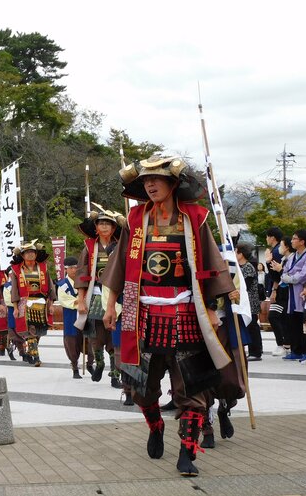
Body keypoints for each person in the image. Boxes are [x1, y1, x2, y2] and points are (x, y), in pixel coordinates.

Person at [101, 155, 236, 477]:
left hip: (186, 311)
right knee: (140, 388)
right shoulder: (135, 220)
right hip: (141, 310)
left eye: (157, 180)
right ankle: (155, 425)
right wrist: (111, 304)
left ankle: (188, 453)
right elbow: (119, 266)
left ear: (173, 184)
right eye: (146, 181)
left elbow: (211, 264)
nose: (150, 185)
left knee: (192, 389)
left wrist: (213, 309)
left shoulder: (195, 218)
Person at [75, 207, 125, 387]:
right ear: (96, 227)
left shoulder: (121, 245)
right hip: (95, 294)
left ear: (113, 228)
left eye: (108, 224)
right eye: (101, 223)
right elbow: (81, 274)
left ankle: (115, 374)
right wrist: (81, 300)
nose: (104, 226)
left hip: (116, 294)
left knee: (114, 334)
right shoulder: (89, 247)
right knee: (95, 334)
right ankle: (99, 362)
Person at [10, 240, 56, 367]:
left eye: (32, 252)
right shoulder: (16, 270)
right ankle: (35, 356)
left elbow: (50, 286)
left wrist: (51, 303)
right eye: (27, 252)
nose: (30, 254)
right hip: (25, 302)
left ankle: (31, 351)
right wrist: (15, 307)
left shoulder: (43, 267)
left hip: (41, 301)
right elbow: (14, 289)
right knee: (29, 329)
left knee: (39, 330)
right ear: (22, 255)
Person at [274, 229, 306, 361]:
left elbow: (304, 274)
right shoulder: (293, 256)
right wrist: (288, 276)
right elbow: (285, 271)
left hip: (304, 291)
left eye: (294, 238)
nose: (292, 241)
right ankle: (296, 350)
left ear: (302, 241)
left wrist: (289, 277)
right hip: (292, 292)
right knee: (293, 322)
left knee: (304, 321)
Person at [56, 256, 86, 378]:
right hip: (71, 315)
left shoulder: (84, 281)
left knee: (87, 339)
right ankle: (74, 366)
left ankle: (90, 363)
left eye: (76, 267)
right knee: (72, 341)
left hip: (85, 314)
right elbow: (64, 300)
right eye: (71, 268)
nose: (74, 270)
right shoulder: (63, 285)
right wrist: (80, 302)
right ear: (66, 269)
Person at [236, 243, 262, 361]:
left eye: (236, 252)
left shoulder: (248, 267)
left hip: (250, 302)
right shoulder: (238, 267)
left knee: (252, 326)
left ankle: (256, 352)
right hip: (243, 302)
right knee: (248, 326)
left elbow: (246, 285)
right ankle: (252, 350)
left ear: (241, 254)